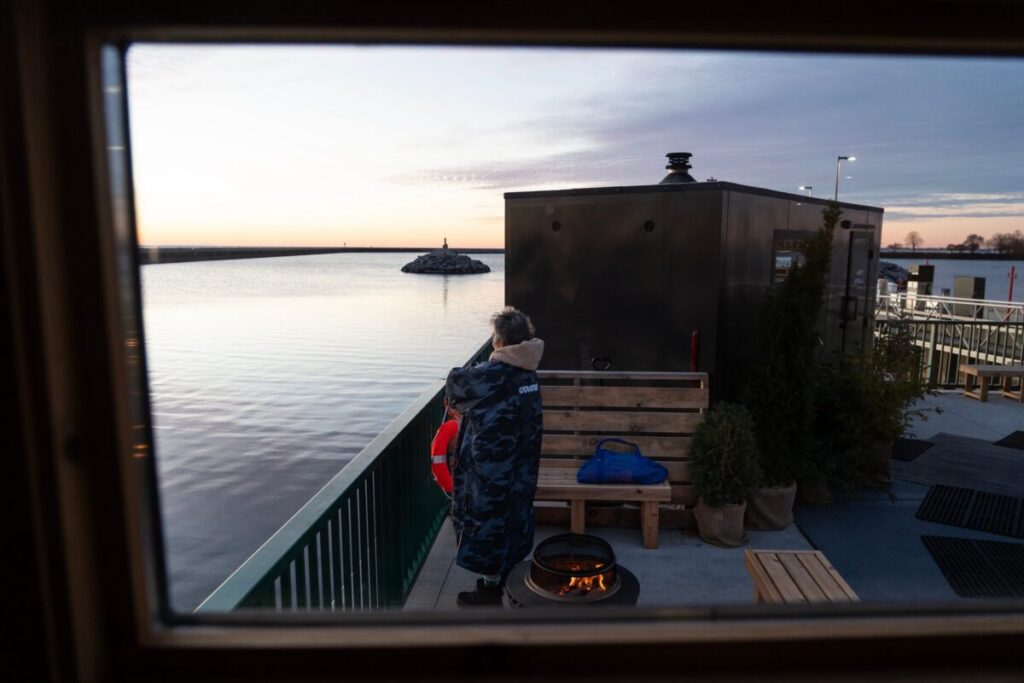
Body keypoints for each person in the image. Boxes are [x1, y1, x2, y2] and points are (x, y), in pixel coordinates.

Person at [445, 307, 544, 607]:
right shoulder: (529, 372)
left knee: (487, 522)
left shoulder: (493, 373)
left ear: (499, 342)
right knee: (515, 518)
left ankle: (489, 592)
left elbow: (455, 384)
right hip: (522, 465)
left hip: (492, 468)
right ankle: (512, 585)